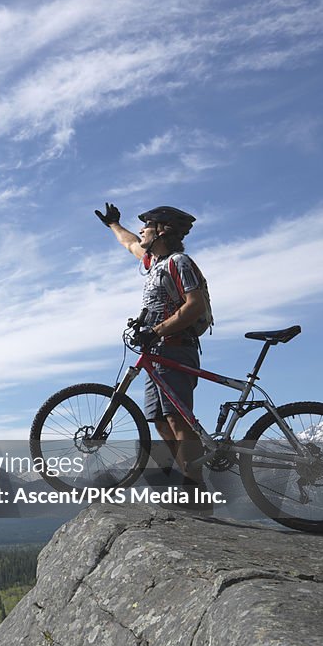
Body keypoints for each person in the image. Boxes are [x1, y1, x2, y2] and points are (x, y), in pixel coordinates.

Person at [94, 202, 211, 509]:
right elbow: (130, 243)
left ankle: (196, 490)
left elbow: (195, 305)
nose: (141, 229)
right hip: (156, 354)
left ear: (162, 231)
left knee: (177, 418)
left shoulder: (180, 262)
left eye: (147, 225)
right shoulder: (153, 261)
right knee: (159, 420)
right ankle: (187, 481)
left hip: (175, 348)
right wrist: (113, 225)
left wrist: (156, 330)